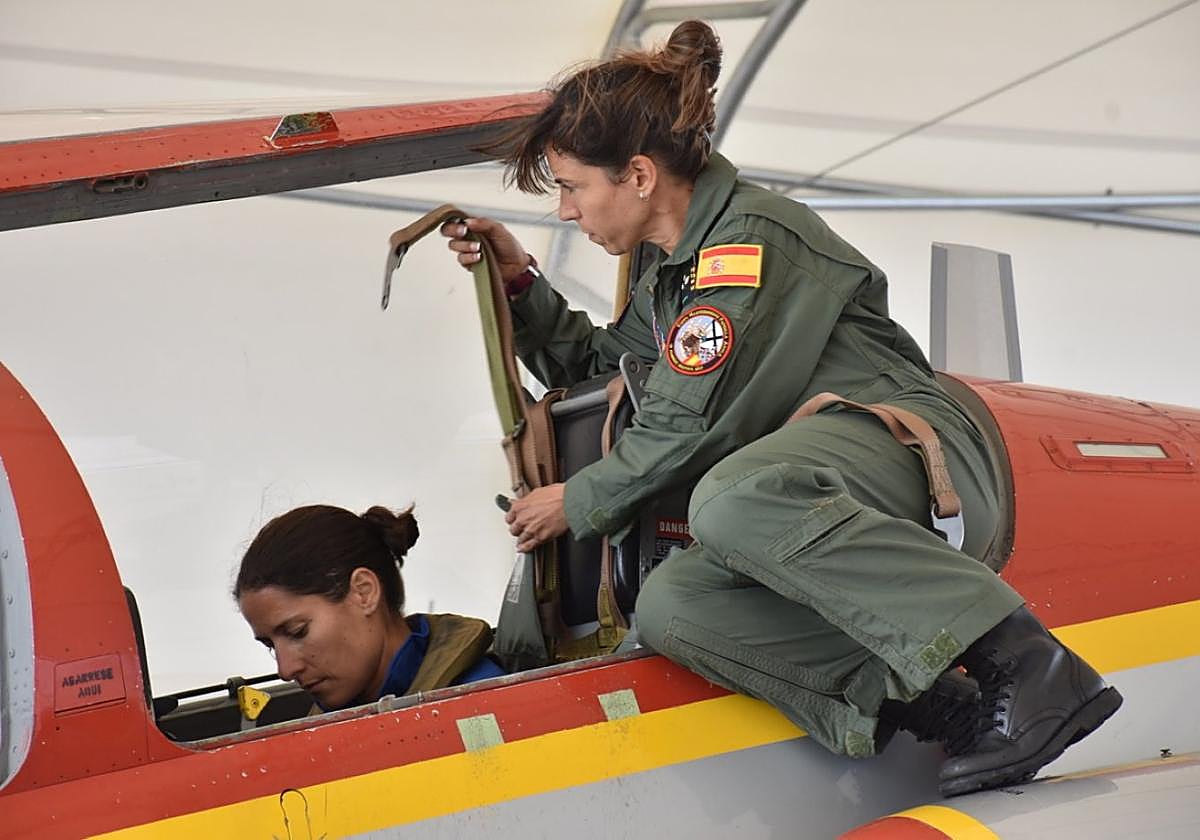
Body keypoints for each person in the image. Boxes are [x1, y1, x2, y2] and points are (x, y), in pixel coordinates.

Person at [441, 20, 1121, 796]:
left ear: (634, 174)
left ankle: (1028, 660)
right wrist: (521, 285)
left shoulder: (748, 244)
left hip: (914, 449)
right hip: (819, 482)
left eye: (570, 187)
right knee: (671, 604)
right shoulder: (675, 274)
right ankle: (947, 709)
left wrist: (581, 499)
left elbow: (692, 418)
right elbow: (606, 370)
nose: (564, 212)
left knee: (731, 499)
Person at [235, 504, 504, 712]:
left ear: (364, 592)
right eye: (270, 645)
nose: (286, 670)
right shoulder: (329, 726)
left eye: (297, 631)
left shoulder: (484, 704)